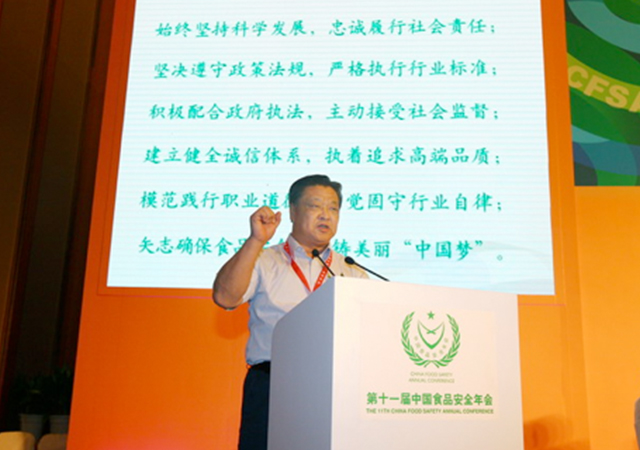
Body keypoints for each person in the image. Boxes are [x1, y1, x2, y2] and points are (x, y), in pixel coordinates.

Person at [213, 174, 367, 450]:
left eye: (333, 208)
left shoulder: (351, 270)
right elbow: (225, 297)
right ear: (293, 211)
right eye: (315, 206)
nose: (326, 215)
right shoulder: (263, 259)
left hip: (333, 387)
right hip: (273, 384)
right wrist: (255, 241)